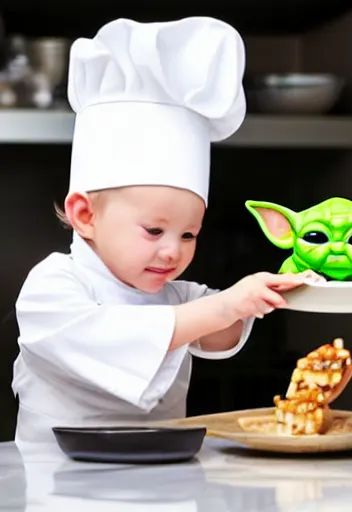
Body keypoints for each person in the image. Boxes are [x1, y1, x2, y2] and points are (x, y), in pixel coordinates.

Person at [11, 17, 311, 444]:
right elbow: (111, 336)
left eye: (189, 234)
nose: (174, 252)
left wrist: (260, 296)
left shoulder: (178, 295)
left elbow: (220, 331)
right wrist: (226, 305)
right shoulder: (52, 287)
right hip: (56, 480)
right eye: (154, 230)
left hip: (164, 479)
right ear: (85, 215)